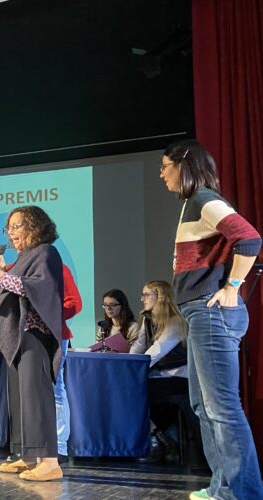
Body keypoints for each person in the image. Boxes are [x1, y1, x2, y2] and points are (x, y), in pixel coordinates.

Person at [159, 139, 262, 499]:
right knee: (204, 406)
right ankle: (222, 487)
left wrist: (232, 286)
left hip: (211, 311)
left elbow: (249, 238)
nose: (162, 174)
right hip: (199, 312)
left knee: (221, 407)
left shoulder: (204, 199)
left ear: (183, 165)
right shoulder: (192, 204)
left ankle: (240, 493)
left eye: (165, 166)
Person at [0, 206, 64, 482]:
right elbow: (9, 291)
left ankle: (49, 462)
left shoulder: (46, 253)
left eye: (17, 226)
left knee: (37, 397)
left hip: (35, 334)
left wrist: (1, 275)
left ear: (34, 226)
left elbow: (38, 288)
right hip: (17, 336)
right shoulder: (23, 257)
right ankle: (28, 456)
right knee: (21, 397)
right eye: (10, 228)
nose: (11, 232)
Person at [131, 280, 188, 463]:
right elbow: (138, 347)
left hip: (179, 377)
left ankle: (157, 438)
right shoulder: (147, 320)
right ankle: (161, 436)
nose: (142, 299)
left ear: (161, 297)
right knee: (130, 390)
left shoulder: (176, 321)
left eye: (147, 295)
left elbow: (156, 351)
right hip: (159, 376)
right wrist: (127, 365)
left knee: (135, 391)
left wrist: (132, 369)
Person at [54, 265, 82, 458]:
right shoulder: (17, 267)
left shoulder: (57, 268)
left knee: (55, 387)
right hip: (26, 337)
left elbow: (74, 303)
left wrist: (47, 317)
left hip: (55, 334)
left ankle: (59, 447)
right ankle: (34, 447)